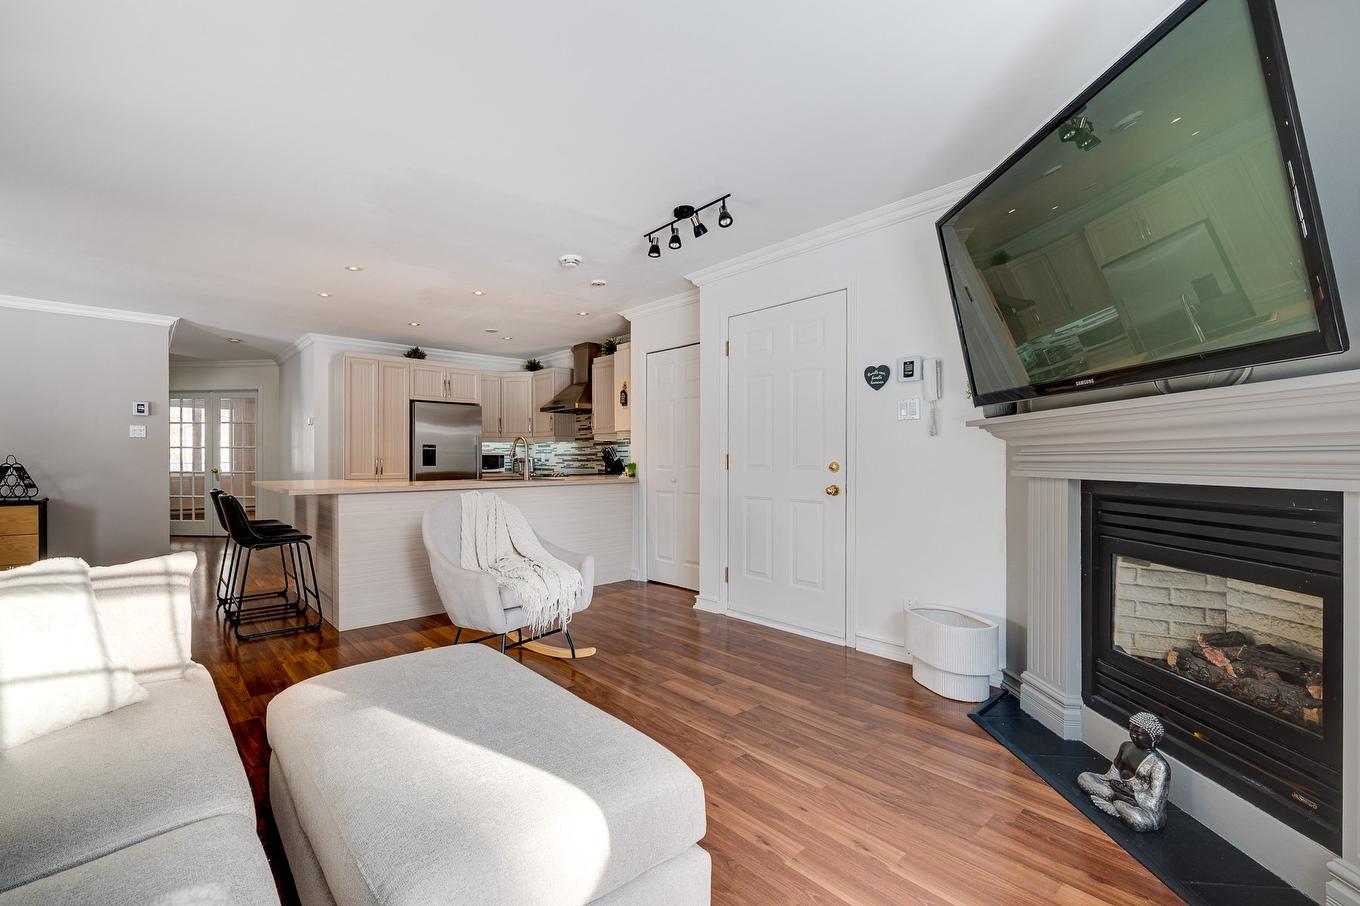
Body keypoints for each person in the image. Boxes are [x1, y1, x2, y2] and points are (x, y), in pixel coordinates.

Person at [1076, 711, 1170, 832]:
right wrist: (1114, 783)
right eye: (1131, 731)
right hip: (1117, 789)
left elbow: (1155, 801)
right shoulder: (1126, 746)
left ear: (1154, 737)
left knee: (1138, 821)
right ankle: (1116, 800)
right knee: (1084, 777)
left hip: (1137, 803)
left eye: (1138, 733)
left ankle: (1114, 800)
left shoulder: (1159, 765)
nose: (1133, 735)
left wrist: (1130, 794)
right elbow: (1113, 772)